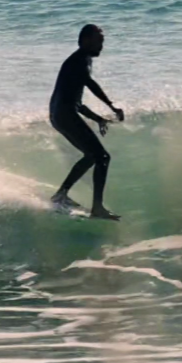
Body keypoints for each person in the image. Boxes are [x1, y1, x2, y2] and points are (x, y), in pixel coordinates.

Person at [49, 24, 125, 219]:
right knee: (102, 157)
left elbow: (77, 103)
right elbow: (91, 84)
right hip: (64, 114)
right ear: (85, 40)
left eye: (102, 41)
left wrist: (98, 119)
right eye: (99, 41)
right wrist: (112, 106)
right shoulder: (79, 60)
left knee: (92, 155)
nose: (101, 45)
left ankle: (61, 195)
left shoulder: (81, 60)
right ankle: (97, 208)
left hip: (59, 115)